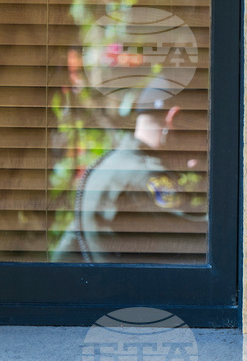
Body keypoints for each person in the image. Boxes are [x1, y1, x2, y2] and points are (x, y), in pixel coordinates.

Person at [51, 79, 207, 263]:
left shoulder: (107, 166)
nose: (195, 161)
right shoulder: (147, 176)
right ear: (176, 118)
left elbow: (65, 253)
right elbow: (205, 242)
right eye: (202, 134)